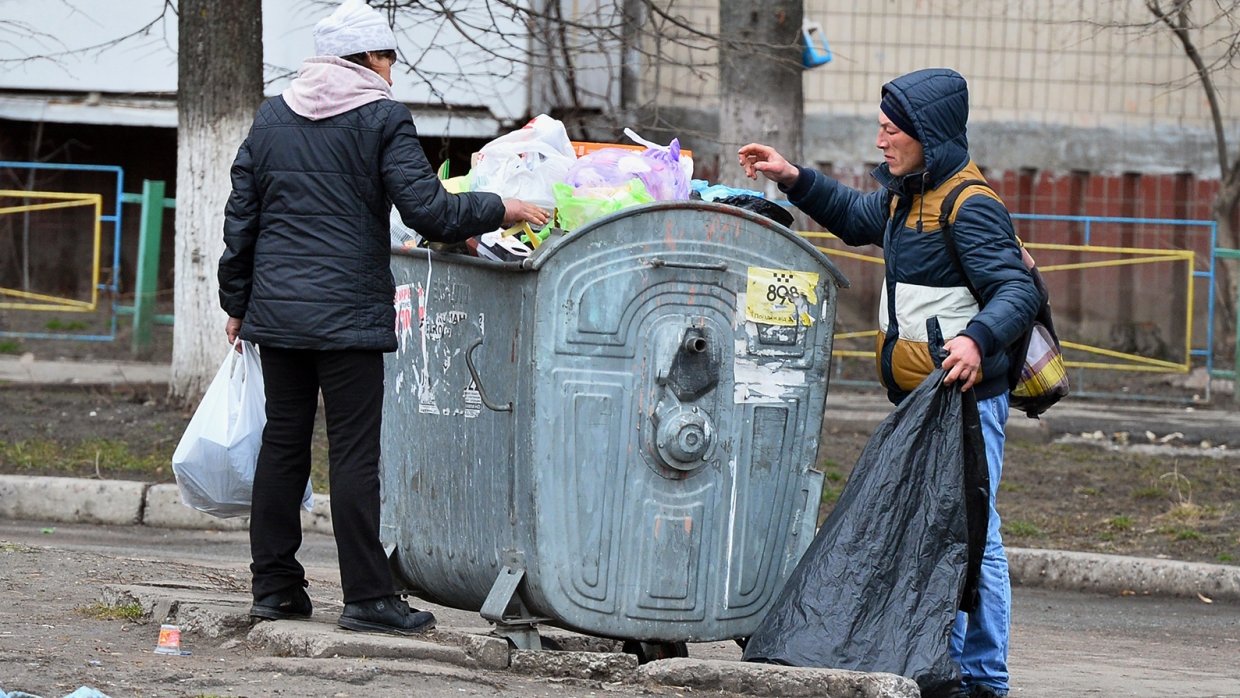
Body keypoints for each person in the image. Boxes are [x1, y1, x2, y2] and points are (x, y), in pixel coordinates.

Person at [217, 0, 548, 637]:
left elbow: (242, 220)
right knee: (354, 455)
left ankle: (276, 591)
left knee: (282, 447)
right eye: (389, 57)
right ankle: (368, 599)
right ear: (368, 57)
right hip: (347, 317)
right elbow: (428, 211)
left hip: (279, 315)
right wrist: (503, 206)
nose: (392, 70)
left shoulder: (273, 117)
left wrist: (237, 303)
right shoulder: (381, 117)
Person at [739, 68, 1040, 698]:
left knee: (974, 538)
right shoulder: (909, 198)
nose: (880, 139)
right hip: (922, 403)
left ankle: (984, 679)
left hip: (965, 403)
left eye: (889, 128)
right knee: (941, 534)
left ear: (925, 133)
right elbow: (853, 215)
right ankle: (946, 668)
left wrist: (976, 340)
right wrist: (791, 176)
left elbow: (1016, 289)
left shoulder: (969, 204)